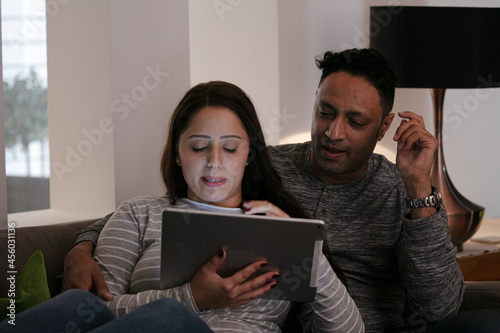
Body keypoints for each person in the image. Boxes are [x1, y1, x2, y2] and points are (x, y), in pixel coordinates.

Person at [64, 49, 498, 332]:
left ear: (384, 126)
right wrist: (82, 247)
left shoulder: (401, 186)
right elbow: (167, 205)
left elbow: (441, 304)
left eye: (356, 121)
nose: (333, 132)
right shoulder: (264, 164)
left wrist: (419, 185)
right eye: (325, 111)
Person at [66, 80, 364, 333]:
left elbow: (349, 330)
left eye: (231, 148)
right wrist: (192, 297)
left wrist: (303, 244)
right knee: (61, 310)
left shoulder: (276, 224)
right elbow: (93, 313)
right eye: (198, 147)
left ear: (249, 154)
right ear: (178, 152)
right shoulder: (139, 214)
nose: (215, 161)